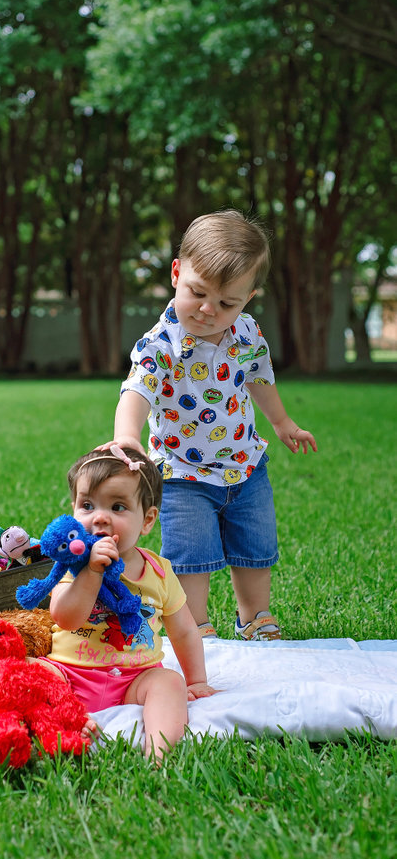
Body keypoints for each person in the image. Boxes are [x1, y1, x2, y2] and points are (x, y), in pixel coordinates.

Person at [101, 209, 317, 642]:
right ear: (177, 273)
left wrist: (281, 421)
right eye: (197, 293)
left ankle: (255, 617)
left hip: (245, 464)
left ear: (248, 298)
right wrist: (127, 434)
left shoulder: (246, 333)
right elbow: (137, 389)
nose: (207, 310)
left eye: (226, 303)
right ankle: (194, 626)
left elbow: (259, 378)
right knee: (190, 557)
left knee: (254, 550)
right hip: (183, 473)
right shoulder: (160, 343)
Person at [37, 445, 218, 762]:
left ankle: (160, 755)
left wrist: (197, 681)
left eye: (118, 507)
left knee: (169, 683)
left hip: (134, 679)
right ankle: (67, 721)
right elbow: (65, 618)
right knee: (32, 672)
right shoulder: (73, 564)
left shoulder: (159, 572)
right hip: (70, 676)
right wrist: (91, 573)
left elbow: (186, 632)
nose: (100, 517)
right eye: (87, 505)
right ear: (73, 510)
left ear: (147, 520)